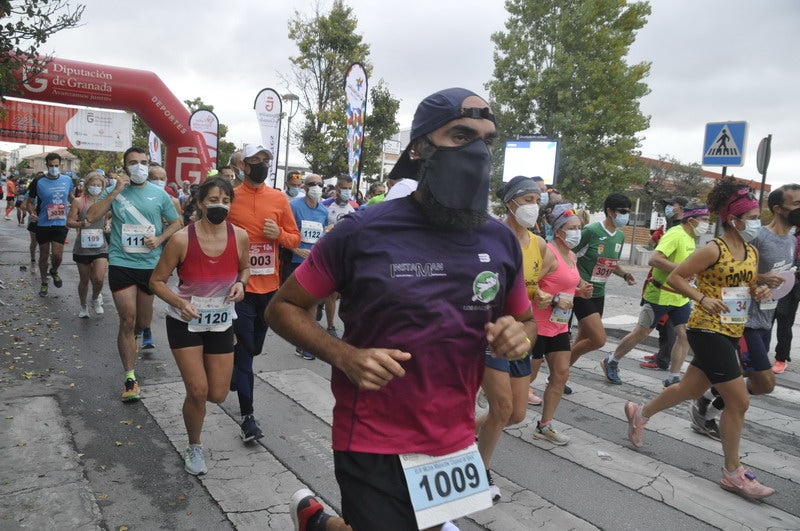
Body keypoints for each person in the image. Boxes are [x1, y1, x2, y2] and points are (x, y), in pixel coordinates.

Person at [270, 87, 535, 531]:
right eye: (460, 135)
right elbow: (283, 308)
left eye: (486, 141)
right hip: (372, 435)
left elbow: (525, 322)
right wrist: (344, 355)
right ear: (419, 149)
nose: (477, 152)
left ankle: (317, 523)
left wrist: (518, 335)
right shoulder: (361, 231)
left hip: (453, 438)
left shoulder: (500, 240)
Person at [624, 177, 774, 501]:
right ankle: (732, 473)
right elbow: (676, 277)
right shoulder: (713, 249)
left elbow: (744, 286)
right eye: (751, 217)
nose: (756, 223)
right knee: (738, 401)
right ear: (733, 219)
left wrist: (759, 290)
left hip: (732, 328)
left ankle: (640, 413)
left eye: (757, 217)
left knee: (690, 389)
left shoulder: (750, 251)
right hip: (707, 329)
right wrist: (702, 298)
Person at [149, 176, 250, 476]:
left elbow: (245, 268)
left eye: (225, 201)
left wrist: (241, 285)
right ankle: (194, 445)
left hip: (221, 321)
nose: (220, 206)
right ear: (200, 203)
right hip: (186, 321)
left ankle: (199, 402)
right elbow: (156, 281)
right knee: (197, 390)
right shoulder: (182, 239)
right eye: (213, 200)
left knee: (217, 394)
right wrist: (180, 303)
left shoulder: (240, 236)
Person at [691, 184, 799, 437]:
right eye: (796, 204)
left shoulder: (791, 240)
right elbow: (733, 266)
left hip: (766, 318)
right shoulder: (758, 236)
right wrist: (761, 278)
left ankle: (705, 400)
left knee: (735, 374)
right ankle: (708, 408)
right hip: (744, 320)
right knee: (764, 382)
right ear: (778, 208)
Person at [86, 146, 181, 401]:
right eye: (133, 162)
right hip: (121, 262)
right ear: (125, 167)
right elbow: (91, 216)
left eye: (144, 162)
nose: (139, 166)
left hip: (149, 265)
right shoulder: (114, 190)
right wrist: (116, 190)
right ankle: (130, 377)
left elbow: (176, 222)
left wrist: (159, 239)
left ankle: (135, 337)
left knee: (142, 322)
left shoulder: (159, 194)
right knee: (127, 320)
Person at [476, 176, 549, 501]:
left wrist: (542, 294)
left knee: (517, 414)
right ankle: (480, 471)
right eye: (528, 199)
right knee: (503, 408)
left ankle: (465, 431)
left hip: (521, 333)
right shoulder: (490, 236)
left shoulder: (539, 244)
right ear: (510, 203)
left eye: (537, 200)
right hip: (490, 332)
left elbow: (533, 282)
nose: (534, 206)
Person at [227, 144, 301, 442]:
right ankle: (248, 418)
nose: (262, 165)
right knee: (246, 351)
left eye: (265, 160)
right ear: (243, 165)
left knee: (255, 347)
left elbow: (294, 238)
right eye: (255, 160)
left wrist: (278, 235)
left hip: (270, 288)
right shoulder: (231, 197)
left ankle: (235, 368)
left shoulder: (278, 198)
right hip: (239, 287)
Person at [601, 203, 709, 387]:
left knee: (684, 336)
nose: (707, 224)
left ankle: (673, 377)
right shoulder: (676, 234)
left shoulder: (690, 237)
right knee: (641, 333)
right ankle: (611, 360)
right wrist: (682, 269)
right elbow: (654, 259)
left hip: (680, 296)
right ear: (691, 220)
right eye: (704, 220)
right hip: (660, 294)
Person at [528, 204, 593, 448]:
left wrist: (579, 292)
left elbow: (564, 285)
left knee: (561, 373)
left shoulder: (571, 255)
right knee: (527, 377)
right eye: (572, 228)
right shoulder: (549, 252)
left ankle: (545, 424)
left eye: (578, 227)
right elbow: (530, 284)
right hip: (537, 325)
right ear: (558, 231)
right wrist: (554, 299)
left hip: (559, 324)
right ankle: (491, 414)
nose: (577, 231)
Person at [570, 193, 637, 377]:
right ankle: (558, 368)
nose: (625, 216)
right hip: (582, 292)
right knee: (598, 339)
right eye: (622, 211)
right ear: (610, 211)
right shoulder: (591, 231)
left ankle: (558, 375)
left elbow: (611, 263)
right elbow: (566, 255)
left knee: (583, 338)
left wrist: (625, 275)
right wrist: (579, 281)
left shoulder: (620, 236)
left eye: (628, 212)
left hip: (599, 293)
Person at [642, 196, 689, 371]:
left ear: (681, 208)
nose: (668, 208)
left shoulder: (680, 230)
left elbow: (656, 258)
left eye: (671, 205)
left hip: (671, 288)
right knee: (656, 327)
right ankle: (662, 355)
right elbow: (652, 245)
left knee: (669, 327)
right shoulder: (669, 227)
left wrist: (683, 270)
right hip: (659, 283)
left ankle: (663, 359)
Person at [287, 174, 330, 360]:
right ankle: (301, 340)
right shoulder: (294, 207)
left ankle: (306, 343)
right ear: (304, 187)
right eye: (312, 184)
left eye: (320, 184)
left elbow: (322, 235)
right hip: (295, 262)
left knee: (311, 304)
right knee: (298, 305)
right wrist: (296, 250)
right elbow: (285, 233)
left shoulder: (323, 211)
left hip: (315, 263)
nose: (316, 187)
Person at [27, 153, 74, 297]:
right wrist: (31, 212)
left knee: (58, 256)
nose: (54, 168)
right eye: (51, 165)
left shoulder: (67, 180)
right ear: (46, 165)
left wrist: (77, 207)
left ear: (60, 165)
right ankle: (44, 282)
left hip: (61, 223)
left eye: (56, 165)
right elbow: (29, 202)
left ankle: (54, 271)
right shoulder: (38, 181)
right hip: (43, 223)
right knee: (44, 255)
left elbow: (71, 197)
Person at [66, 171, 110, 318]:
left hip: (100, 246)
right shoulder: (79, 201)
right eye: (93, 185)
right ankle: (83, 306)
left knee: (99, 279)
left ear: (103, 187)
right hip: (83, 247)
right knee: (84, 280)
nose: (95, 187)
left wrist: (108, 224)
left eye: (98, 185)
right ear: (87, 185)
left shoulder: (105, 202)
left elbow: (109, 217)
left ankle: (95, 298)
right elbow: (69, 222)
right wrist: (81, 224)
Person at [320, 175, 360, 337]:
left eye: (349, 188)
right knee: (332, 293)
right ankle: (331, 326)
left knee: (344, 294)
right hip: (329, 254)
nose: (346, 191)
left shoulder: (355, 207)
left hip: (348, 255)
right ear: (337, 188)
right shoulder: (325, 205)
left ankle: (350, 327)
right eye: (344, 188)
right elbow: (319, 227)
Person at [772, 208, 800, 374]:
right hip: (772, 284)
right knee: (766, 322)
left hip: (791, 289)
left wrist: (795, 271)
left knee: (784, 324)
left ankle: (781, 358)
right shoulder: (791, 238)